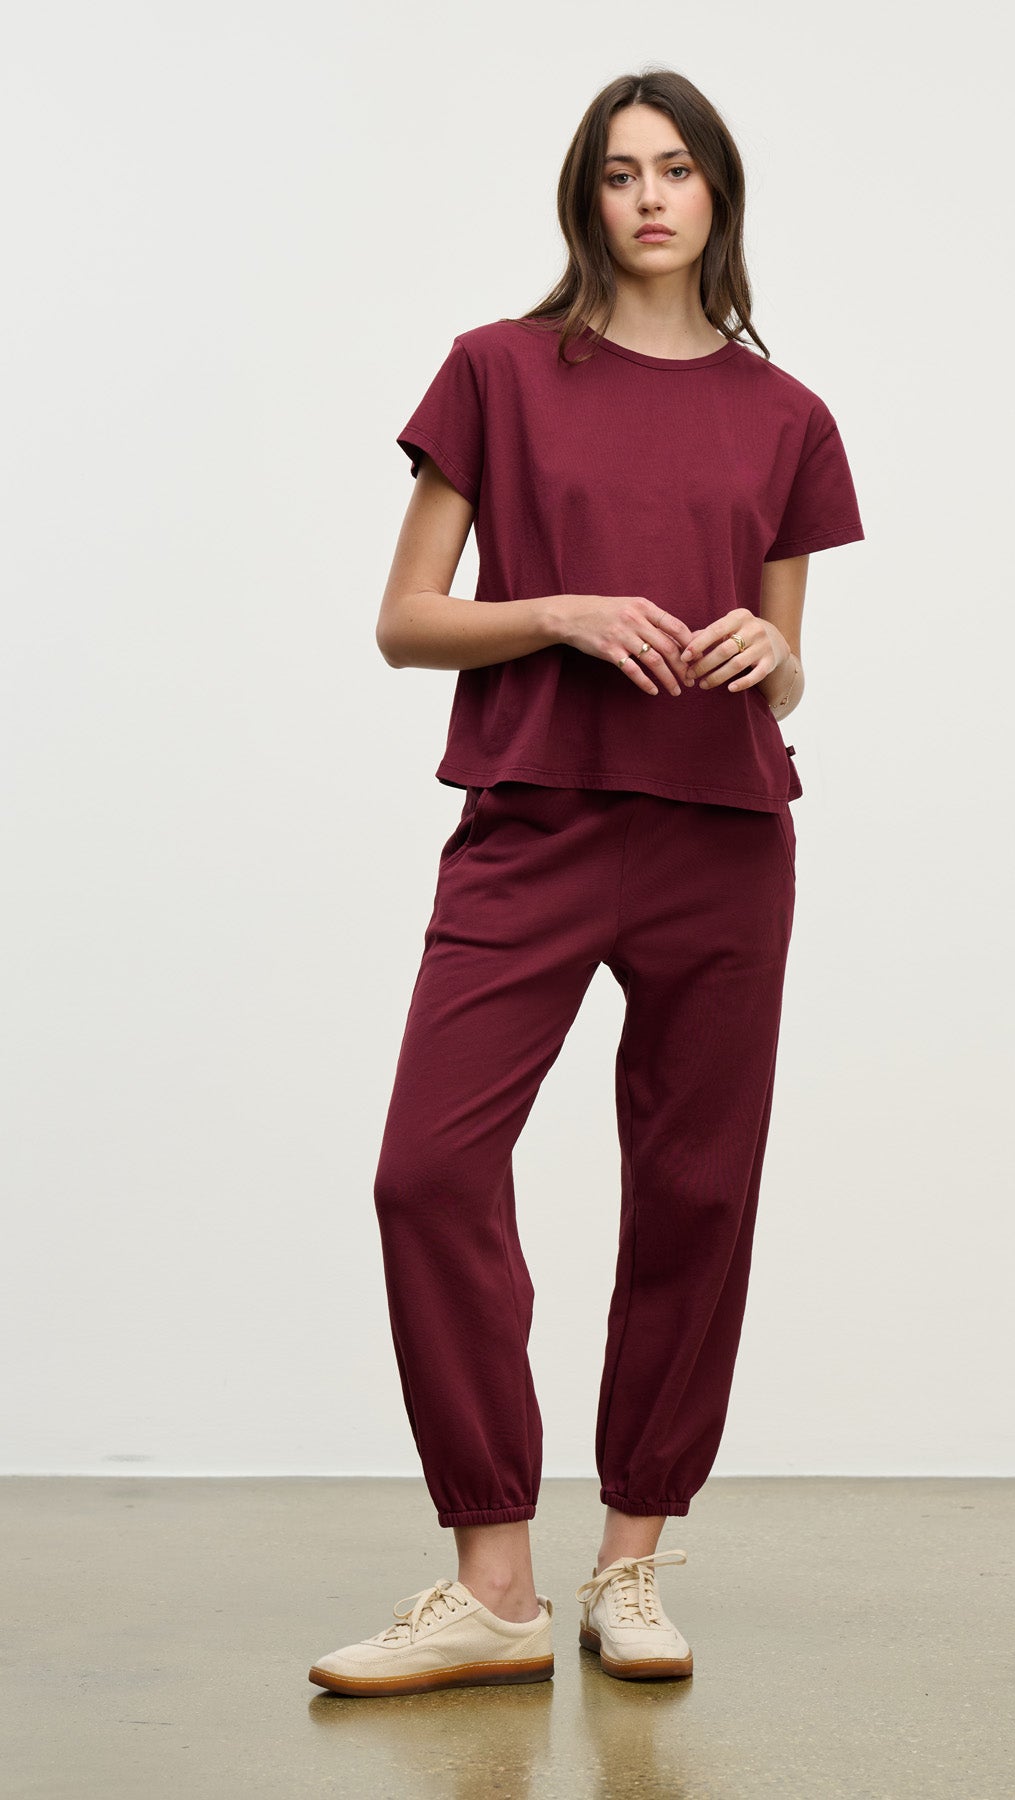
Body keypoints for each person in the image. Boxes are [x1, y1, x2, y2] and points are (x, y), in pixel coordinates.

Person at [308, 66, 864, 1700]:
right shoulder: (497, 373)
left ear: (717, 197)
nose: (647, 198)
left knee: (693, 1196)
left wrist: (773, 652)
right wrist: (551, 613)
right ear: (585, 196)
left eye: (676, 169)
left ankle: (631, 1564)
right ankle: (493, 1583)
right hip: (533, 818)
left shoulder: (790, 417)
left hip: (720, 835)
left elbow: (789, 666)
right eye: (619, 171)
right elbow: (407, 617)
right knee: (426, 1169)